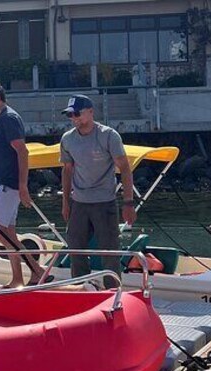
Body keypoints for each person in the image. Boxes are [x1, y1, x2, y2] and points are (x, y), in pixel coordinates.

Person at [0, 80, 49, 287]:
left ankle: (36, 268)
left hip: (9, 184)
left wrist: (23, 185)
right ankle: (19, 277)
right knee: (8, 232)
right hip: (4, 184)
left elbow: (22, 152)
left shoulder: (8, 118)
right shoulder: (2, 118)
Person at [59, 94, 136, 288]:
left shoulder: (108, 135)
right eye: (70, 115)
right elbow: (67, 170)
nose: (73, 118)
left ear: (90, 112)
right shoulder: (68, 139)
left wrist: (128, 202)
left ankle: (112, 292)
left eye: (77, 113)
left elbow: (124, 168)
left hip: (104, 202)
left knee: (109, 253)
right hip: (79, 203)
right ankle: (81, 289)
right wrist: (66, 202)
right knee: (76, 251)